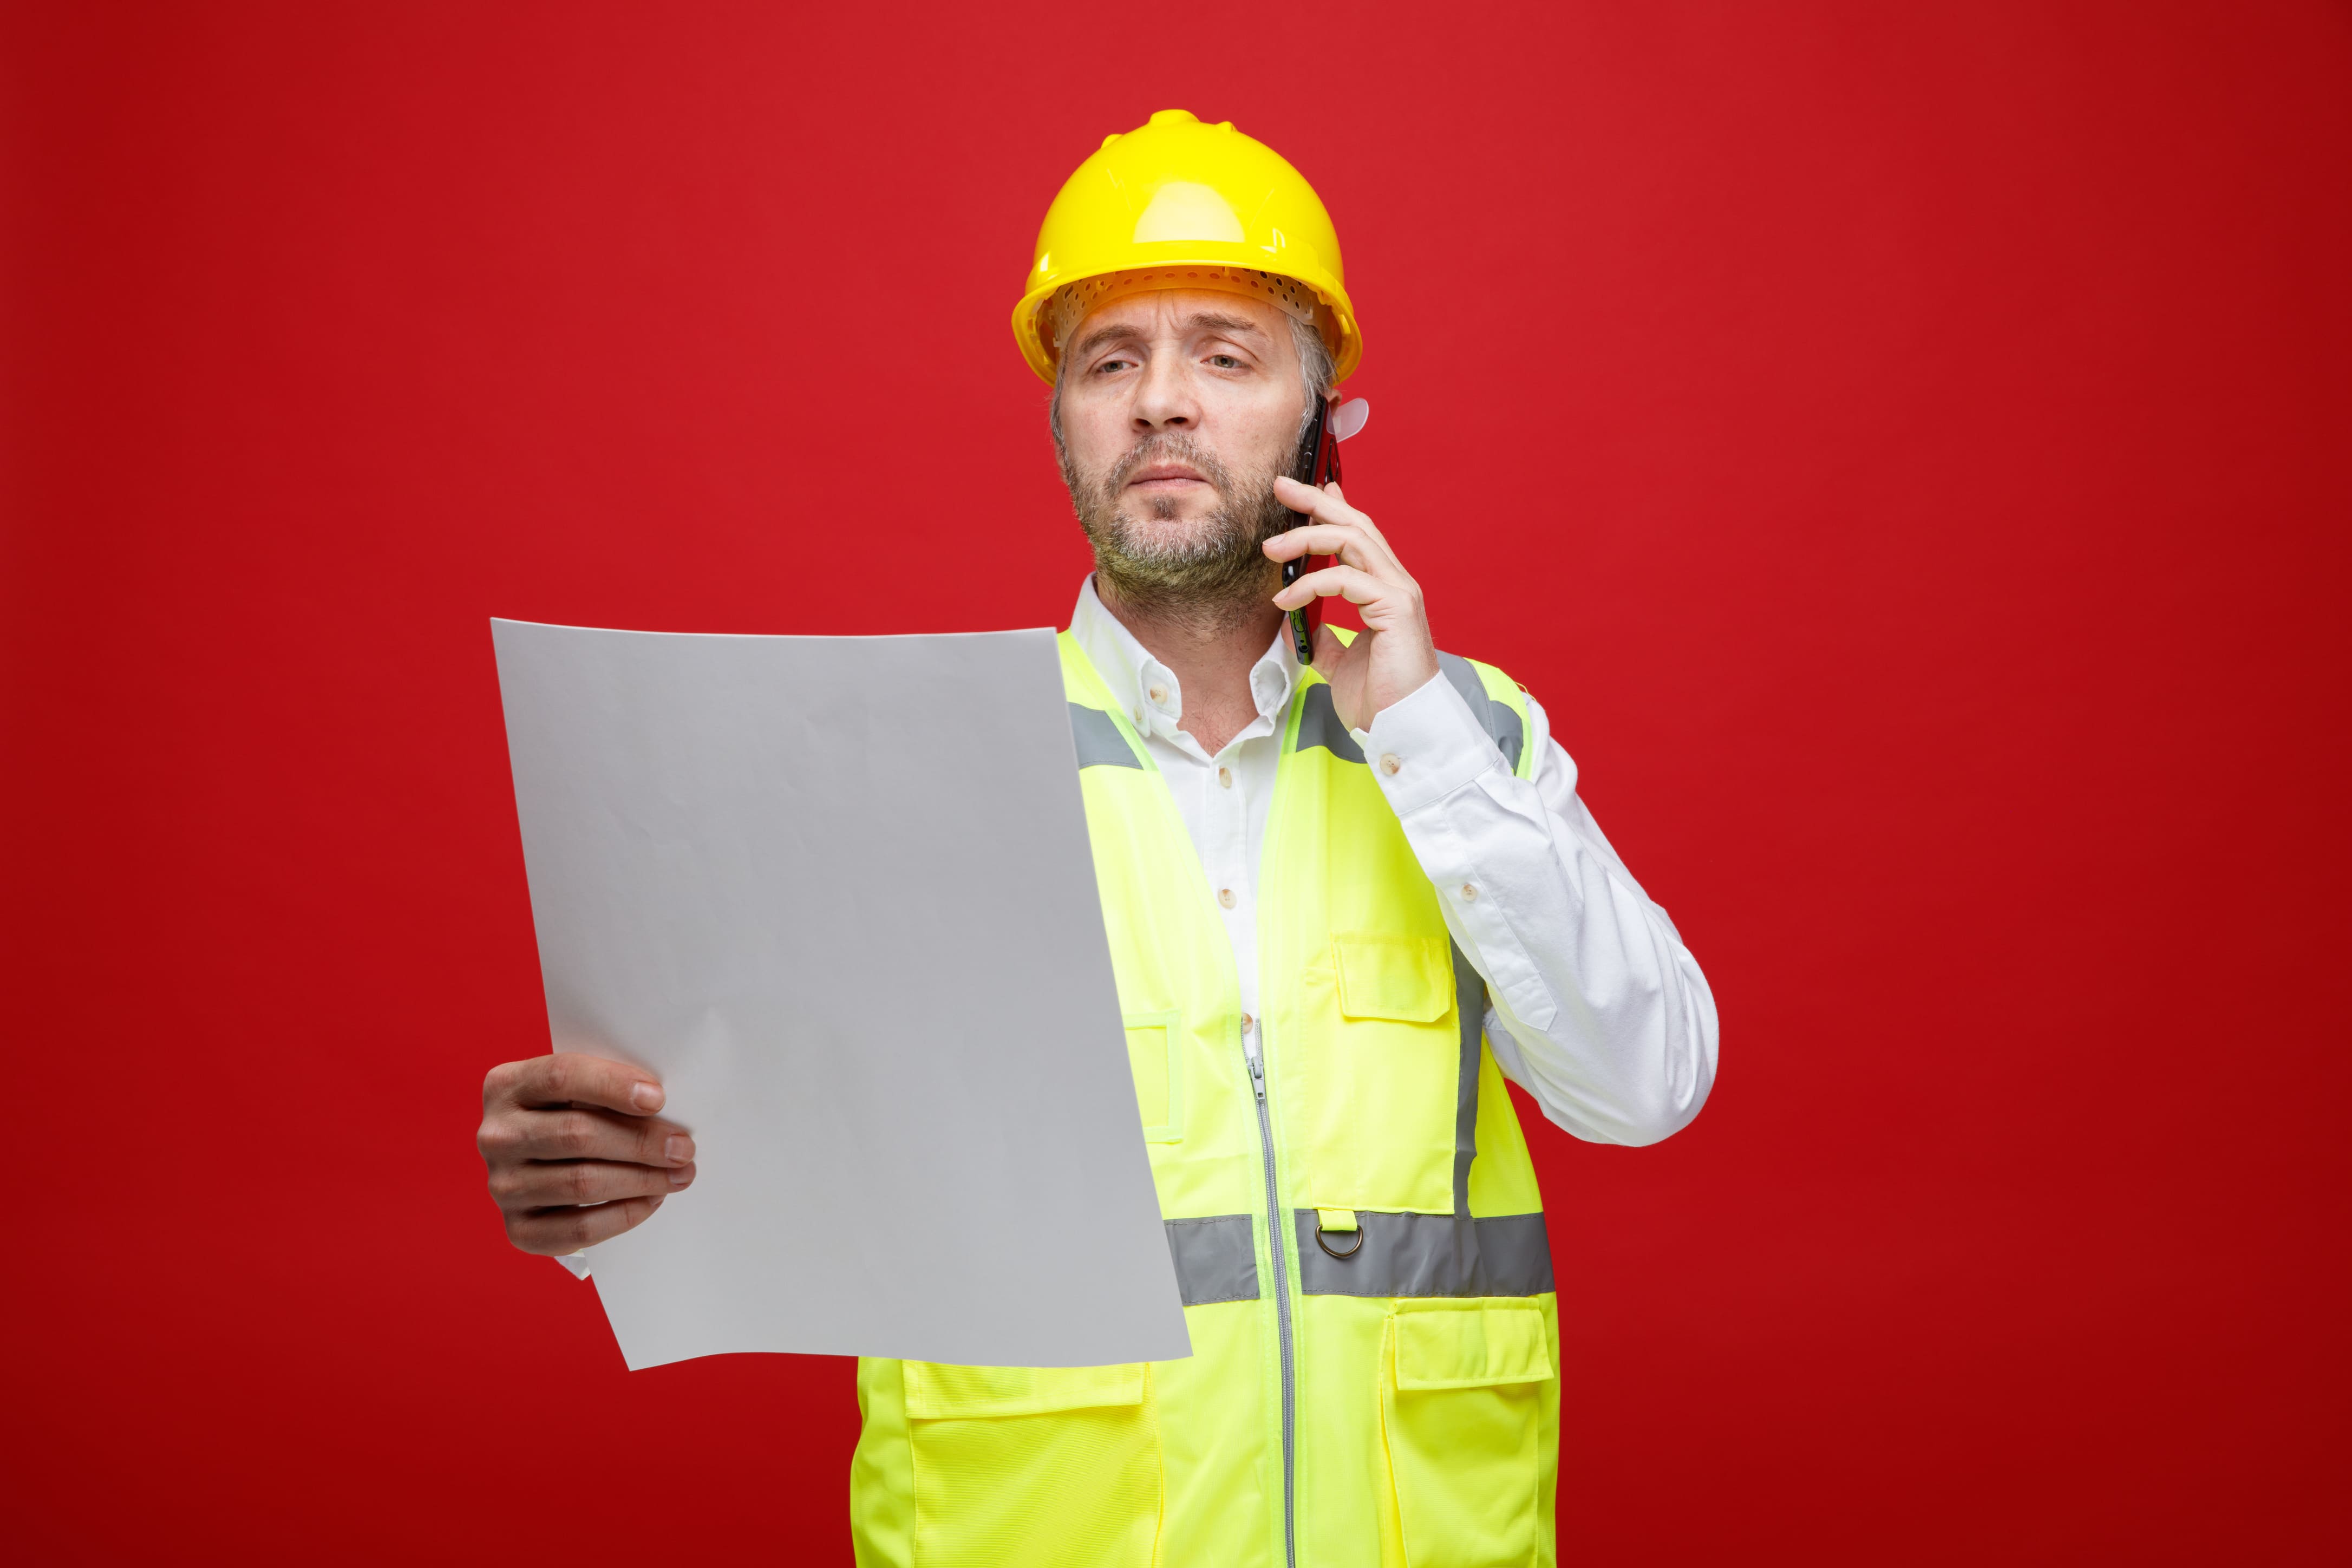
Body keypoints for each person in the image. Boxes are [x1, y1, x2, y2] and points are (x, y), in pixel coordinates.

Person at [476, 108, 1717, 1567]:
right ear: (1064, 420)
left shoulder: (1463, 743)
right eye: (1109, 360)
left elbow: (1647, 1085)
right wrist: (589, 1179)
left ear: (1327, 423)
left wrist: (1420, 730)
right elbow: (747, 1181)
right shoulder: (909, 770)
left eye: (1226, 354)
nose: (1161, 402)